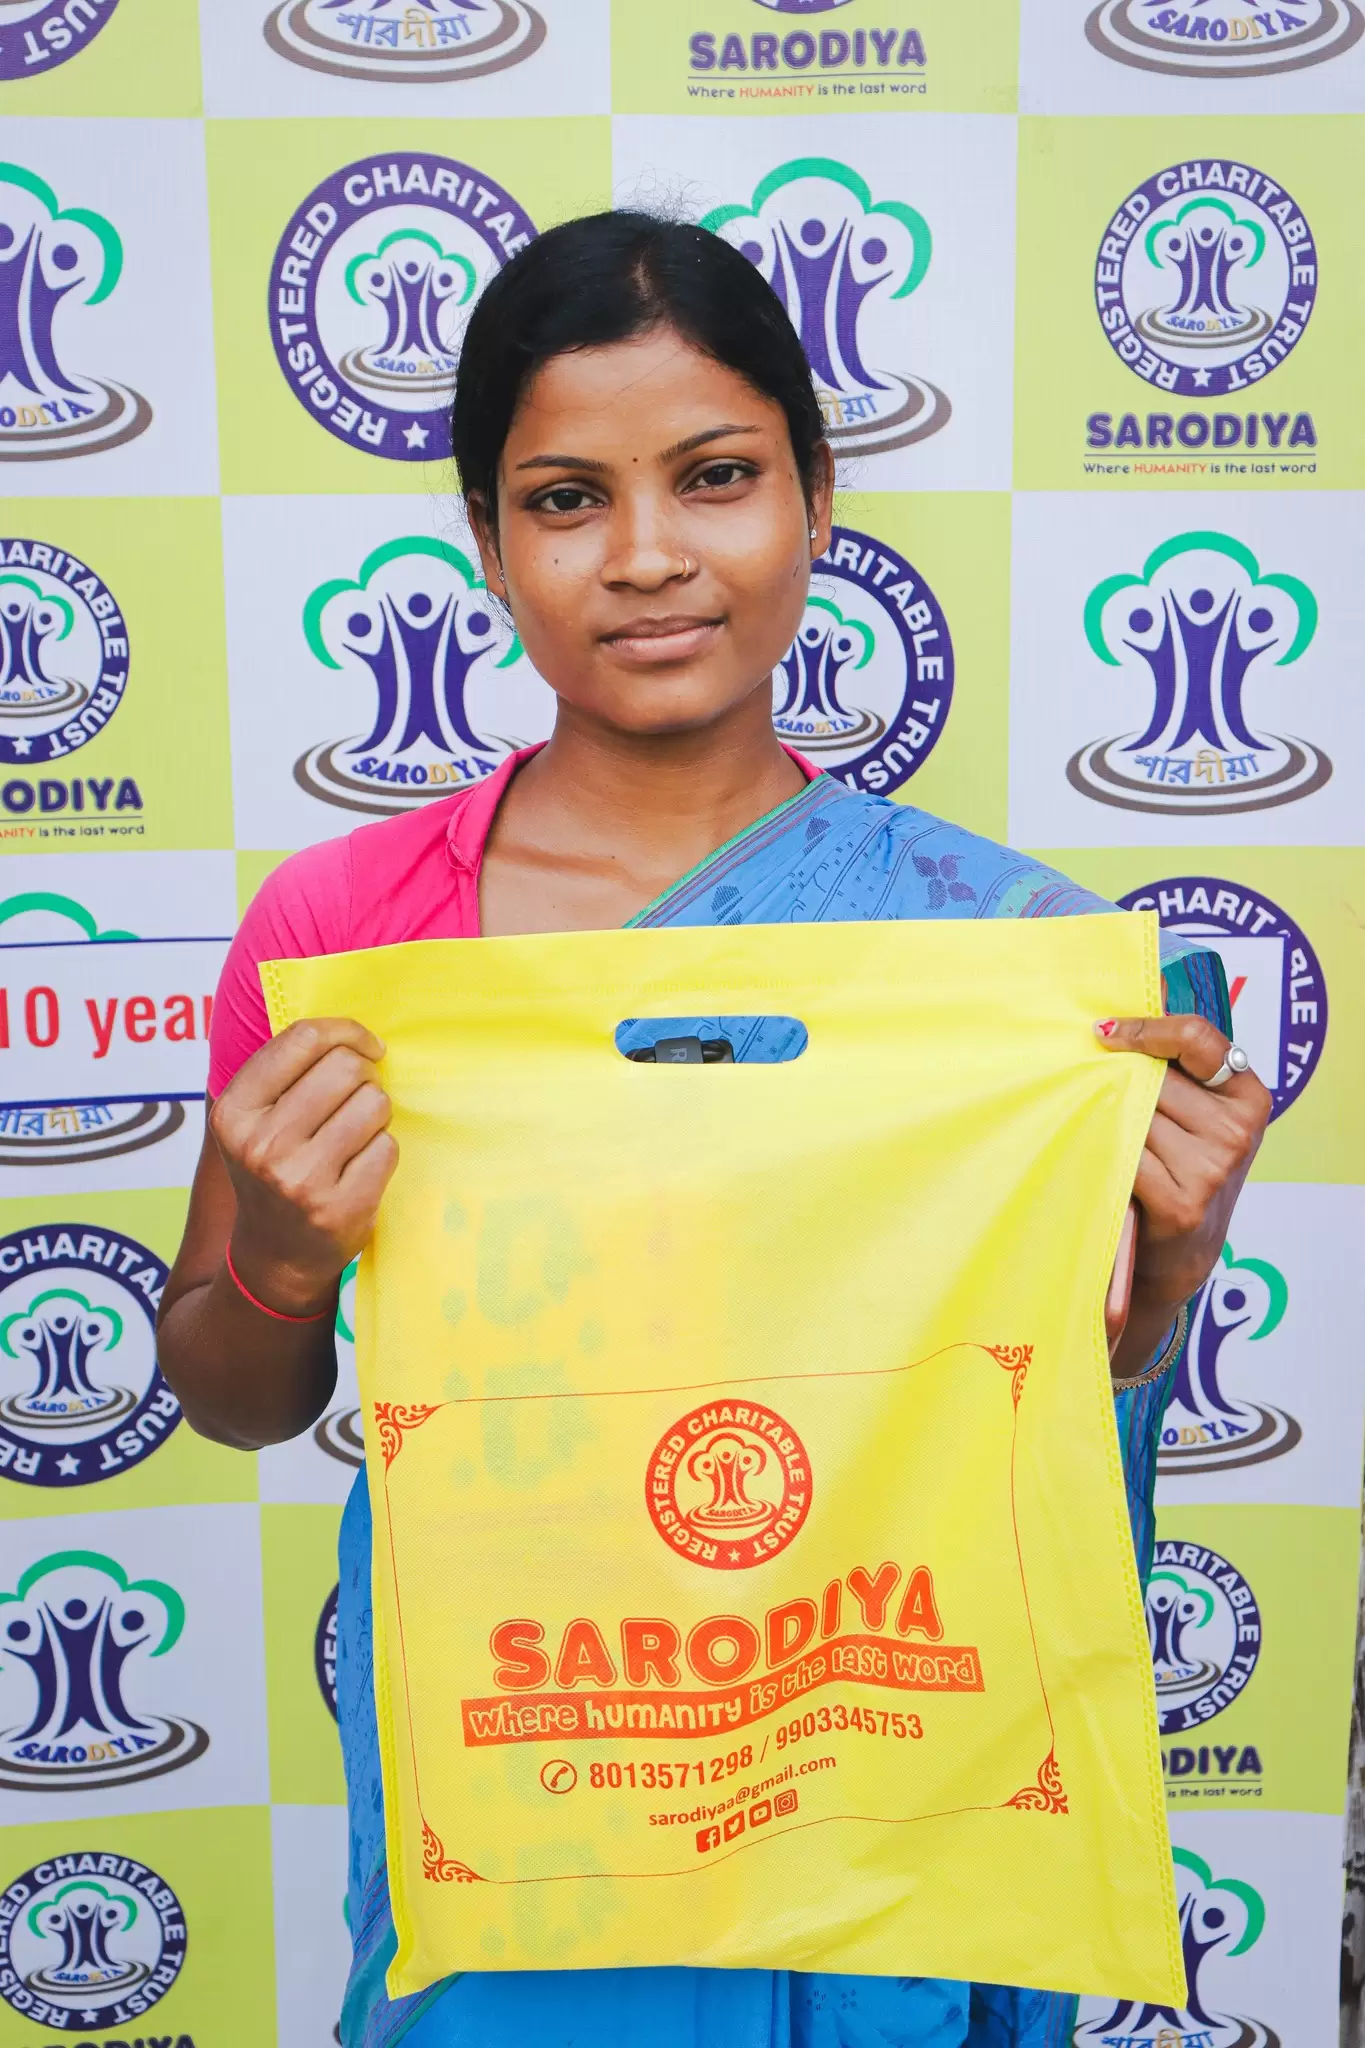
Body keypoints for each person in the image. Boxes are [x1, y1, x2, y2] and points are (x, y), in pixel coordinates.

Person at [159, 213, 1271, 2048]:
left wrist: (1158, 1276)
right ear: (488, 545)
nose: (649, 556)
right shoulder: (356, 936)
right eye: (567, 500)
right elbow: (233, 1391)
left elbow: (1032, 1440)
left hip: (879, 1764)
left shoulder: (996, 963)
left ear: (817, 500)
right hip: (528, 1766)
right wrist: (278, 1262)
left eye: (718, 477)